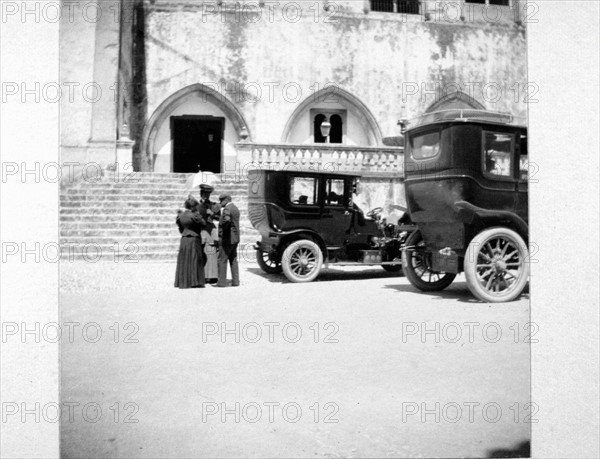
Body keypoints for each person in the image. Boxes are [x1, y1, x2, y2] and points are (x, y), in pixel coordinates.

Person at [174, 197, 206, 289]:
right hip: (194, 238)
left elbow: (180, 229)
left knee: (184, 259)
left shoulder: (180, 216)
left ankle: (183, 281)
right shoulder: (195, 216)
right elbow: (203, 224)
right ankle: (195, 281)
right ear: (193, 207)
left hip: (184, 238)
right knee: (195, 259)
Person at [197, 184, 221, 284]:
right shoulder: (197, 205)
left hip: (211, 230)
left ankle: (213, 276)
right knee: (203, 253)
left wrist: (212, 213)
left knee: (212, 252)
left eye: (208, 194)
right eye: (205, 194)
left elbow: (219, 217)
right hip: (202, 230)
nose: (206, 196)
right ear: (201, 194)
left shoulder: (213, 205)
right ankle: (203, 275)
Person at [216, 193, 240, 287]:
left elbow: (227, 220)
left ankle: (221, 282)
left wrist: (222, 230)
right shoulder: (235, 208)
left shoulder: (227, 209)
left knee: (222, 260)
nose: (220, 202)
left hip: (227, 239)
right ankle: (235, 281)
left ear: (226, 200)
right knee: (233, 260)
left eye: (221, 200)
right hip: (235, 238)